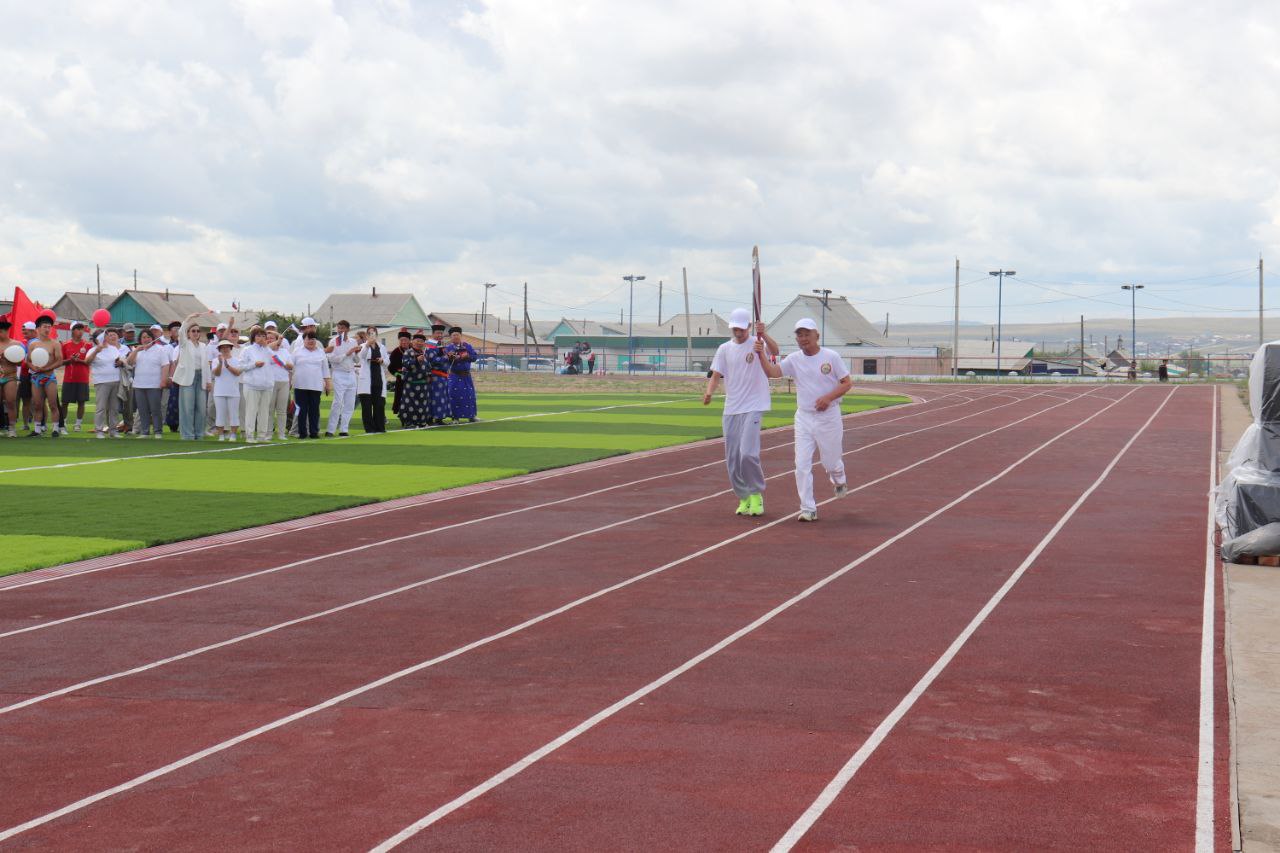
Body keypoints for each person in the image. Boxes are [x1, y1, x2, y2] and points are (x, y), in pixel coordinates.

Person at [759, 318, 851, 522]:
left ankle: (839, 478)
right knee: (801, 464)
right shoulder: (794, 359)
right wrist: (760, 354)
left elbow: (847, 383)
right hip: (804, 418)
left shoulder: (831, 357)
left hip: (829, 417)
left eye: (807, 334)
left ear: (816, 335)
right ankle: (808, 508)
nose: (803, 338)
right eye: (799, 334)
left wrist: (828, 398)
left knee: (830, 462)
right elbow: (773, 373)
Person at [702, 308, 778, 516]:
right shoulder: (724, 349)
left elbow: (776, 351)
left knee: (747, 454)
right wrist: (709, 392)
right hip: (732, 408)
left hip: (754, 405)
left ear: (749, 327)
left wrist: (765, 334)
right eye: (735, 327)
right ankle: (743, 497)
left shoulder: (757, 344)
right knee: (733, 459)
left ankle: (756, 494)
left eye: (741, 328)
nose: (738, 331)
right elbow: (716, 374)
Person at [172, 311, 212, 440]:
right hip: (188, 378)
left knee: (201, 408)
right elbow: (181, 332)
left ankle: (199, 434)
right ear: (188, 333)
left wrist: (208, 380)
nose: (195, 333)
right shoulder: (184, 344)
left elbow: (206, 364)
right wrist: (188, 318)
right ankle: (187, 435)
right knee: (187, 408)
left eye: (197, 331)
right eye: (193, 331)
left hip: (201, 377)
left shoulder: (203, 346)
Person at [126, 328, 172, 439]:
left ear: (152, 338)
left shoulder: (160, 350)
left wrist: (163, 380)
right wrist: (136, 350)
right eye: (143, 337)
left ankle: (157, 431)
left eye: (148, 337)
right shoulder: (137, 350)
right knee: (142, 410)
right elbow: (129, 362)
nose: (146, 339)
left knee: (155, 409)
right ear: (140, 339)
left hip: (154, 385)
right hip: (139, 385)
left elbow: (165, 365)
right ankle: (145, 431)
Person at [85, 328, 127, 438]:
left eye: (107, 336)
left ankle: (113, 430)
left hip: (115, 381)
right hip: (101, 382)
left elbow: (119, 360)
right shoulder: (93, 350)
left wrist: (120, 362)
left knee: (114, 407)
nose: (107, 337)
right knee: (101, 407)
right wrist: (96, 351)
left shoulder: (113, 349)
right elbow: (87, 362)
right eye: (105, 336)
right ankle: (99, 430)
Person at [26, 315, 63, 438]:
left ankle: (56, 429)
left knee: (53, 404)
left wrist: (46, 368)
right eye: (44, 327)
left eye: (49, 327)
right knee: (37, 404)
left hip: (49, 377)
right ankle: (37, 430)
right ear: (38, 329)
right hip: (36, 377)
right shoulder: (33, 344)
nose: (47, 329)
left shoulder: (55, 344)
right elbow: (28, 360)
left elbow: (59, 361)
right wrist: (33, 368)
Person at [237, 327, 275, 443]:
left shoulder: (268, 350)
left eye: (263, 336)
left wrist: (268, 347)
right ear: (253, 337)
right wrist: (254, 364)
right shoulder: (247, 350)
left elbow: (275, 360)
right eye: (258, 336)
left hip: (267, 385)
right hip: (252, 385)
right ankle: (249, 435)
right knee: (251, 410)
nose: (261, 338)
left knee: (264, 411)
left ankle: (262, 436)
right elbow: (241, 366)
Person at [291, 332, 331, 439]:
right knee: (301, 410)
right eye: (309, 339)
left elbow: (325, 370)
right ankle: (302, 432)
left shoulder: (321, 352)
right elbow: (290, 367)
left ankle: (314, 432)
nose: (311, 341)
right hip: (300, 385)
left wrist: (328, 384)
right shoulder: (297, 351)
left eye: (313, 339)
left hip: (316, 386)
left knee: (314, 410)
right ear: (304, 340)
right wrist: (289, 381)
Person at [325, 320, 361, 436]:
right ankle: (330, 430)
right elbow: (331, 358)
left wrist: (356, 353)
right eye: (339, 328)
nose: (340, 330)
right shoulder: (333, 342)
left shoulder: (353, 341)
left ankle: (344, 429)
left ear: (348, 329)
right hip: (338, 373)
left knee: (349, 403)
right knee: (337, 402)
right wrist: (347, 353)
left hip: (351, 374)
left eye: (343, 328)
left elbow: (356, 360)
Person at [59, 322, 93, 431]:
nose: (81, 331)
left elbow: (90, 362)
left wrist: (79, 361)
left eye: (82, 329)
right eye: (78, 329)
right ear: (72, 331)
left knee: (81, 402)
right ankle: (63, 423)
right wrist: (70, 360)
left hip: (83, 378)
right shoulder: (65, 345)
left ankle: (78, 424)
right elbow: (60, 362)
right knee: (65, 402)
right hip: (68, 378)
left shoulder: (88, 345)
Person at [209, 339, 242, 441]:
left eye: (227, 347)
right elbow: (217, 373)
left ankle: (233, 434)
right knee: (220, 413)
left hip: (233, 391)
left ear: (230, 348)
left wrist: (227, 365)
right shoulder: (215, 360)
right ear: (219, 349)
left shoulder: (237, 360)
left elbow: (237, 373)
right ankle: (221, 435)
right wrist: (220, 363)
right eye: (223, 347)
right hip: (219, 391)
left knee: (234, 414)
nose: (225, 349)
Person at [357, 327, 388, 433]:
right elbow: (362, 356)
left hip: (378, 378)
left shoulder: (382, 347)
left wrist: (382, 360)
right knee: (366, 406)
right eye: (369, 333)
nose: (371, 335)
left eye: (373, 333)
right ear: (366, 335)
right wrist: (367, 345)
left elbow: (387, 361)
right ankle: (369, 428)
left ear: (376, 334)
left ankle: (380, 427)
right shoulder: (362, 346)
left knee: (379, 404)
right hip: (366, 379)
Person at [398, 332, 432, 427]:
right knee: (410, 404)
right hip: (411, 384)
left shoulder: (424, 353)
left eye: (421, 341)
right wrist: (416, 360)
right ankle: (409, 422)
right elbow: (406, 364)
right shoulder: (408, 352)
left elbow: (428, 367)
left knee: (423, 404)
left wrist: (429, 375)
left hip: (423, 384)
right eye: (417, 341)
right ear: (412, 342)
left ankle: (421, 421)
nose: (419, 343)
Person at [444, 327, 478, 422]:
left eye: (457, 335)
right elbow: (446, 360)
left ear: (461, 336)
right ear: (450, 337)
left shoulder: (467, 346)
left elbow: (474, 357)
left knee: (469, 395)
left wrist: (467, 356)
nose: (456, 337)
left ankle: (472, 416)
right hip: (454, 376)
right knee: (454, 395)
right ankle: (455, 417)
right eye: (453, 335)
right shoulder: (448, 348)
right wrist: (453, 357)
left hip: (466, 376)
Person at [265, 328, 293, 440]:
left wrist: (287, 365)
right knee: (269, 410)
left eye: (272, 338)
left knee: (282, 410)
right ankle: (268, 433)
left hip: (283, 382)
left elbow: (291, 366)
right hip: (270, 383)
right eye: (267, 339)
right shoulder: (266, 351)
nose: (269, 340)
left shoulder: (285, 352)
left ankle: (281, 434)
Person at [425, 324, 452, 424]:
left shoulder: (440, 344)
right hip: (435, 376)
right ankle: (431, 417)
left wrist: (450, 357)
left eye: (441, 333)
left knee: (441, 397)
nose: (440, 335)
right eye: (438, 333)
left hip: (443, 376)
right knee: (434, 397)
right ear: (433, 334)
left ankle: (439, 418)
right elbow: (433, 359)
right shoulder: (431, 344)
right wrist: (446, 357)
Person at [0, 320, 21, 437]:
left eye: (1, 331)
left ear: (7, 331)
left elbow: (19, 363)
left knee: (11, 401)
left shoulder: (15, 344)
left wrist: (8, 358)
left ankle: (12, 428)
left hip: (10, 376)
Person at [163, 320, 182, 432]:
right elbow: (168, 363)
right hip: (173, 378)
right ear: (170, 333)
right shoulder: (168, 347)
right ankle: (173, 425)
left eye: (180, 329)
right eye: (175, 329)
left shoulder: (186, 344)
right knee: (173, 402)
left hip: (185, 377)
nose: (178, 331)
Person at [118, 322, 137, 433]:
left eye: (132, 332)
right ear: (123, 332)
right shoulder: (119, 343)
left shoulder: (138, 343)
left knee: (129, 404)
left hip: (134, 377)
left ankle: (129, 425)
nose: (130, 334)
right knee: (118, 402)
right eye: (128, 332)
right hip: (121, 376)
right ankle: (116, 424)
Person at [388, 328, 411, 423]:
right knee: (401, 398)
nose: (404, 342)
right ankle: (403, 418)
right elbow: (390, 367)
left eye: (406, 340)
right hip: (400, 380)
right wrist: (397, 374)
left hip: (412, 380)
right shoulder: (395, 352)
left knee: (411, 399)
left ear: (409, 341)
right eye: (402, 340)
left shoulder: (413, 350)